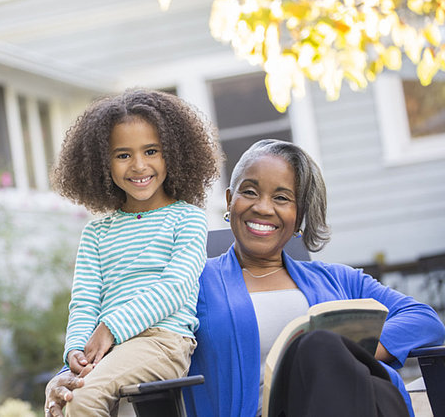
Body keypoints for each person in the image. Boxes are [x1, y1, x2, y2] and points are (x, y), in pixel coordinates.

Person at [45, 139, 445, 417]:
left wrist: (350, 355)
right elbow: (136, 336)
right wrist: (69, 374)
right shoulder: (190, 283)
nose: (263, 208)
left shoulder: (339, 280)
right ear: (230, 201)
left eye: (282, 198)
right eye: (250, 192)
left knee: (324, 349)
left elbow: (424, 319)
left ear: (300, 215)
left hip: (362, 407)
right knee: (319, 346)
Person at [48, 88, 221, 416]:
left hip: (162, 342)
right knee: (61, 400)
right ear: (102, 163)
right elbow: (85, 301)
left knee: (82, 398)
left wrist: (112, 327)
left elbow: (174, 287)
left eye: (151, 151)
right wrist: (75, 352)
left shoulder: (187, 219)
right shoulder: (97, 233)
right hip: (110, 348)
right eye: (123, 155)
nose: (139, 165)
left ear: (173, 153)